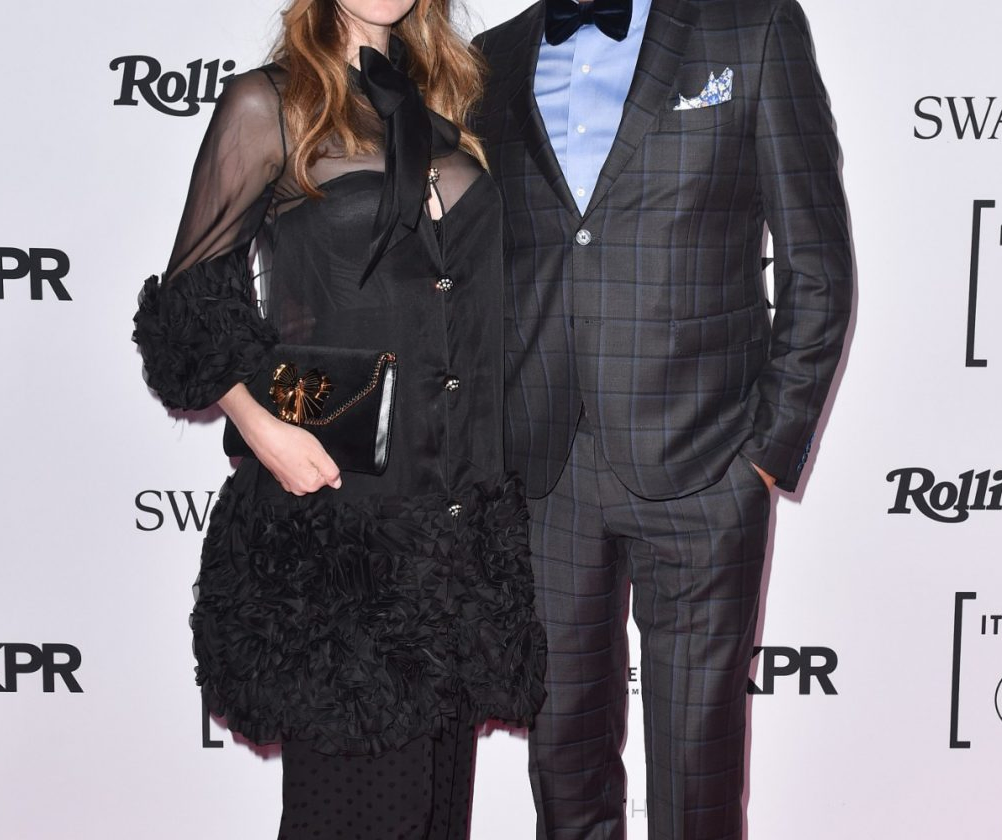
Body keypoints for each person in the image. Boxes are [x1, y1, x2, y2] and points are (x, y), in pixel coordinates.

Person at [132, 1, 545, 837]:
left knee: (436, 817)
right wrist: (263, 429)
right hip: (340, 532)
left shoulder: (453, 103)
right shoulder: (270, 104)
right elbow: (189, 307)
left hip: (453, 527)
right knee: (354, 819)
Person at [473, 0, 852, 837]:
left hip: (704, 463)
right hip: (543, 473)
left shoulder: (750, 28)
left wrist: (766, 453)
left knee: (696, 772)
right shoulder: (490, 57)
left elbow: (818, 267)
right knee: (562, 763)